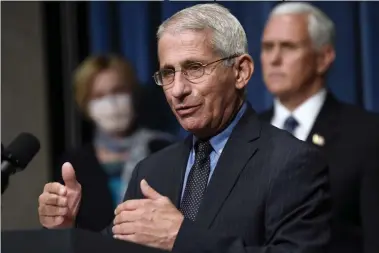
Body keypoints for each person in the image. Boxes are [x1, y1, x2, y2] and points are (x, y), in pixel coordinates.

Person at [38, 4, 332, 253]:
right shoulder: (151, 171)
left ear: (240, 71)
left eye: (194, 68)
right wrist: (67, 233)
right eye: (168, 73)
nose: (177, 90)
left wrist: (181, 238)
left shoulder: (292, 162)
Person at [258, 2, 379, 253]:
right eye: (267, 47)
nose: (274, 59)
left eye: (288, 47)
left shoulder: (368, 135)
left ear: (323, 58)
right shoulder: (245, 133)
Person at [53, 55, 175, 231]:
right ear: (85, 104)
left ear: (132, 93)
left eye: (118, 91)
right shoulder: (74, 164)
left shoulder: (163, 148)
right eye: (99, 95)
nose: (111, 102)